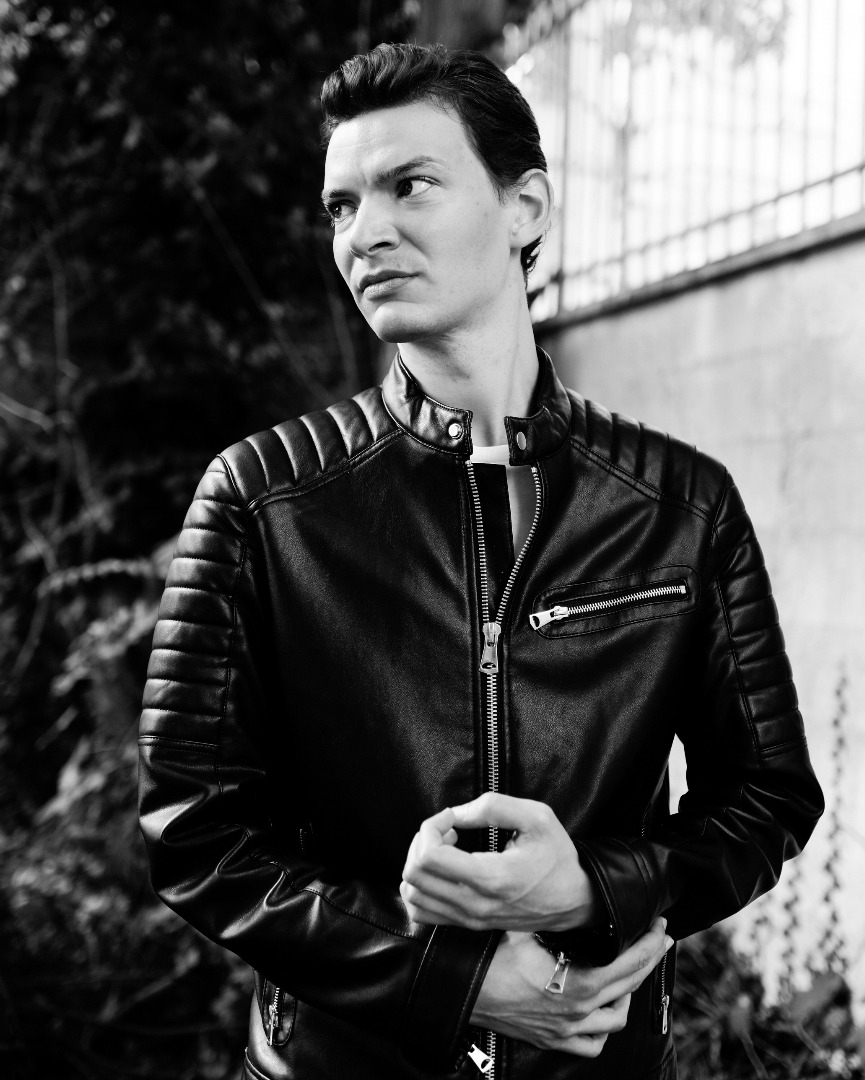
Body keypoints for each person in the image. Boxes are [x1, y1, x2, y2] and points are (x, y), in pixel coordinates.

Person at [138, 42, 823, 1080]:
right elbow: (195, 834)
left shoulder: (681, 505)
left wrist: (591, 888)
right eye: (340, 206)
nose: (364, 232)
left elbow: (766, 796)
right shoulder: (261, 499)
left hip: (595, 1061)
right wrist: (447, 977)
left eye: (409, 184)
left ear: (523, 208)